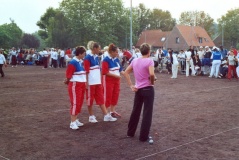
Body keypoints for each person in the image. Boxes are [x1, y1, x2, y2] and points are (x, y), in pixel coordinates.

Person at [124, 43, 155, 142]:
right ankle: (143, 136)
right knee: (147, 113)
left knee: (135, 111)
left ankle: (130, 132)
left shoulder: (135, 60)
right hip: (148, 89)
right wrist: (152, 82)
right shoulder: (149, 61)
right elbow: (151, 74)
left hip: (138, 90)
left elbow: (126, 72)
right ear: (149, 52)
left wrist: (131, 85)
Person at [84, 41, 117, 123]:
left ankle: (106, 115)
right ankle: (91, 116)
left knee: (101, 99)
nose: (100, 50)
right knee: (90, 100)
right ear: (94, 48)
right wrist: (86, 83)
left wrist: (100, 81)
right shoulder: (87, 58)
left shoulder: (96, 57)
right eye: (98, 48)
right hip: (91, 83)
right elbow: (86, 71)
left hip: (97, 82)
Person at [64, 46, 87, 130]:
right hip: (75, 84)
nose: (85, 55)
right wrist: (67, 81)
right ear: (80, 54)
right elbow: (68, 75)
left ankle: (76, 119)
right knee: (75, 102)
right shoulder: (73, 62)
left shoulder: (80, 62)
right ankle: (72, 122)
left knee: (80, 102)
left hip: (81, 84)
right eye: (84, 53)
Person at [102, 43, 124, 118]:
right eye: (116, 52)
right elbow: (104, 72)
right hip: (109, 81)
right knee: (108, 96)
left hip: (116, 81)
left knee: (115, 95)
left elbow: (121, 70)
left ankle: (112, 111)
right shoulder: (106, 60)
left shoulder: (116, 59)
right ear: (111, 52)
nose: (117, 53)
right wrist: (116, 76)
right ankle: (106, 114)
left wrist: (126, 73)